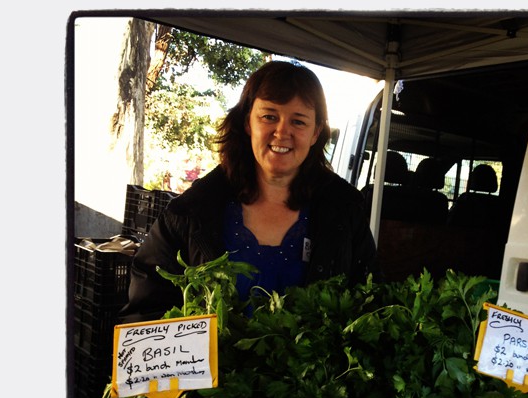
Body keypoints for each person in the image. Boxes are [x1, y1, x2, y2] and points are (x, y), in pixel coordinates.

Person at [120, 60, 381, 323]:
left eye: (298, 122)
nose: (282, 132)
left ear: (315, 133)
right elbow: (145, 312)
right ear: (248, 123)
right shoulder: (191, 211)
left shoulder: (345, 210)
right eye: (269, 116)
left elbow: (368, 302)